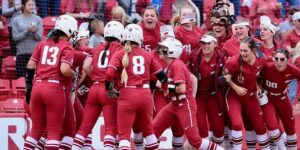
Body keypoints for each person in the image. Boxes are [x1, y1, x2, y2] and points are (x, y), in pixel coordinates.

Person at [152, 37, 224, 150]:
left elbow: (181, 89)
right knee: (152, 132)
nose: (160, 50)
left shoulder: (177, 65)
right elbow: (193, 79)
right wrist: (192, 97)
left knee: (195, 141)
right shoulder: (172, 65)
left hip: (183, 104)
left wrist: (165, 86)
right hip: (175, 104)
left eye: (164, 48)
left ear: (171, 51)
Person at [105, 24, 168, 150]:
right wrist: (165, 88)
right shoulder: (147, 54)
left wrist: (109, 89)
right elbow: (162, 76)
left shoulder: (119, 53)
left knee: (124, 136)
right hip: (145, 95)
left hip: (127, 94)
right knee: (149, 132)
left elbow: (108, 74)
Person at [23, 14, 77, 150]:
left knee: (35, 130)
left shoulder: (42, 43)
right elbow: (64, 70)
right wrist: (74, 73)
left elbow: (30, 65)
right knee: (54, 131)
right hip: (54, 89)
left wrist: (29, 88)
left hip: (37, 86)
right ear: (69, 30)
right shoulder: (67, 47)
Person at [72, 21, 125, 150]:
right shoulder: (120, 49)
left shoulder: (96, 48)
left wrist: (95, 77)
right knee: (110, 130)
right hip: (110, 89)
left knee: (84, 129)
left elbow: (85, 66)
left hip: (94, 89)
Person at [222, 37, 270, 149]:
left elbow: (260, 77)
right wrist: (235, 87)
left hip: (251, 96)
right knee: (237, 124)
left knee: (260, 127)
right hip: (234, 96)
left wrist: (259, 88)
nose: (242, 53)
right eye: (241, 50)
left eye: (245, 51)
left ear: (253, 50)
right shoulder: (233, 61)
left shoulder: (262, 60)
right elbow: (224, 78)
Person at [189, 32, 226, 146]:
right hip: (199, 94)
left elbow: (226, 74)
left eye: (208, 43)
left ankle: (218, 147)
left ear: (215, 44)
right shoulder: (194, 55)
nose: (205, 46)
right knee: (201, 128)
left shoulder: (221, 56)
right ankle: (206, 147)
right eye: (203, 43)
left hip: (214, 94)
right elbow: (188, 73)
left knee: (218, 128)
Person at [260, 49, 300, 150]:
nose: (278, 62)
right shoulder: (267, 67)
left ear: (287, 60)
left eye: (282, 59)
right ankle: (282, 147)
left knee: (290, 127)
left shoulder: (292, 69)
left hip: (282, 97)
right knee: (272, 125)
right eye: (276, 59)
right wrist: (258, 88)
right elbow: (255, 75)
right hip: (268, 99)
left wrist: (299, 101)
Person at [12, 0, 42, 78]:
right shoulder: (16, 20)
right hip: (21, 53)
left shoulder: (38, 19)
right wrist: (27, 31)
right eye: (29, 5)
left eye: (33, 5)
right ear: (24, 6)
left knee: (34, 78)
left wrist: (34, 31)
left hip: (34, 54)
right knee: (21, 79)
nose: (32, 7)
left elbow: (39, 37)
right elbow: (15, 38)